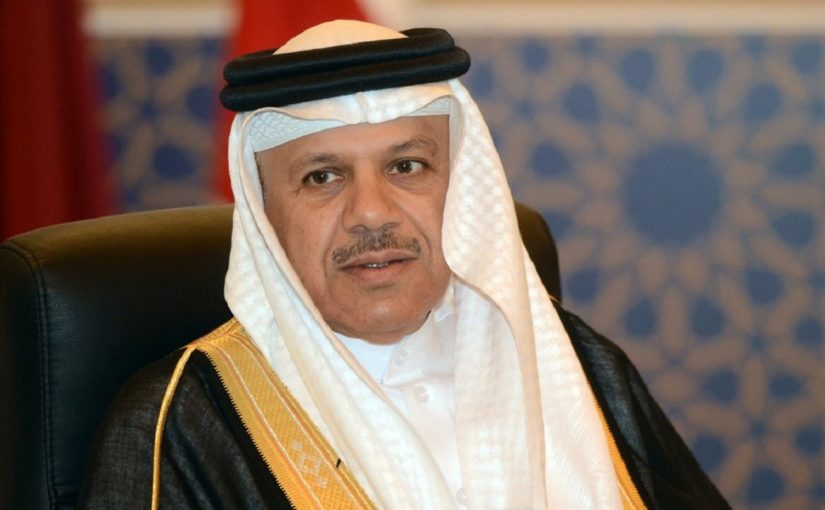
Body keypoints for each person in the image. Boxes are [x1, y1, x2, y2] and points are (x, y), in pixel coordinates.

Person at [79, 20, 729, 509]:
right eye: (323, 176)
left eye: (407, 166)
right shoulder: (183, 426)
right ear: (265, 214)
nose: (370, 213)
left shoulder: (571, 360)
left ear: (461, 189)